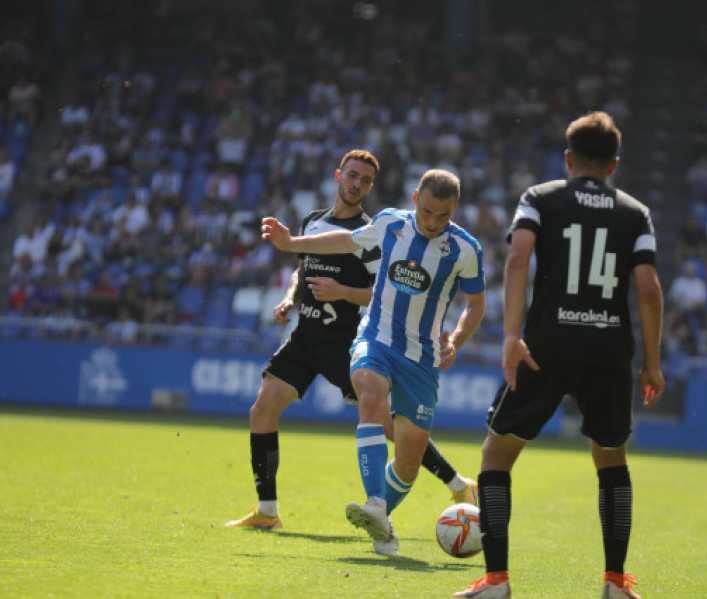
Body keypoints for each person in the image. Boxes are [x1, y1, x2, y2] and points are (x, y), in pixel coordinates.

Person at [454, 111, 664, 599]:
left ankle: (497, 581)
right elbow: (649, 290)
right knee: (611, 460)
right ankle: (615, 582)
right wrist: (651, 362)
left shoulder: (540, 198)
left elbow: (518, 259)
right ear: (613, 165)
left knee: (496, 456)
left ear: (568, 159)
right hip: (609, 349)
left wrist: (510, 335)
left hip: (544, 346)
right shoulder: (636, 213)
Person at [227, 152, 479, 536]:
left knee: (395, 429)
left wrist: (341, 292)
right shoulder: (314, 222)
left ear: (371, 187)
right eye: (352, 175)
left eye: (365, 179)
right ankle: (267, 509)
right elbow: (304, 266)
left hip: (345, 343)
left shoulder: (380, 232)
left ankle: (456, 483)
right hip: (305, 337)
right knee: (262, 409)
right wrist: (290, 294)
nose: (357, 183)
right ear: (338, 176)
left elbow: (385, 290)